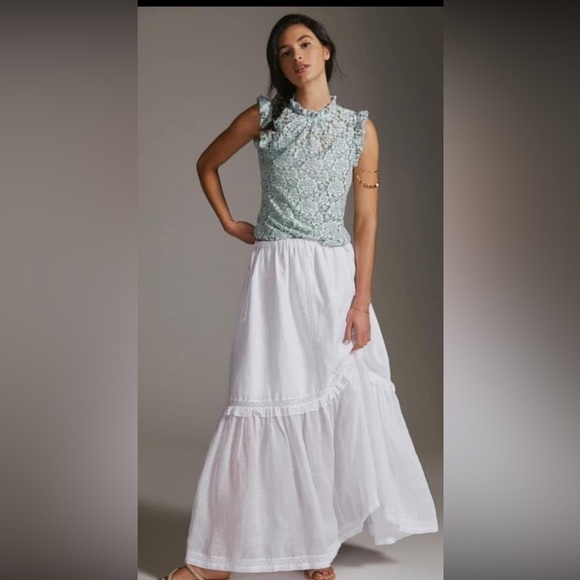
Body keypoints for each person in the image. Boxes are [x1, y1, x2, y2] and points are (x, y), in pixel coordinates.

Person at [158, 13, 439, 580]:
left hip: (332, 277)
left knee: (327, 403)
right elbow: (207, 163)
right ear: (278, 64)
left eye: (305, 44)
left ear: (326, 50)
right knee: (263, 395)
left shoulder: (360, 129)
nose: (297, 57)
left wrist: (360, 302)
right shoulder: (264, 117)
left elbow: (366, 222)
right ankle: (215, 559)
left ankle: (315, 547)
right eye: (284, 52)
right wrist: (229, 222)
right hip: (275, 275)